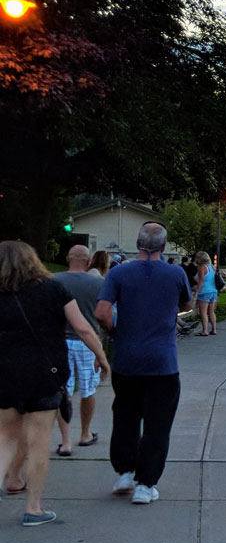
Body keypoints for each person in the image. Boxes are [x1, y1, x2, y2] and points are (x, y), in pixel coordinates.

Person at [1, 240, 110, 525]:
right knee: (38, 443)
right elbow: (83, 328)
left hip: (5, 376)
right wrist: (102, 356)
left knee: (5, 439)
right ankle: (33, 508)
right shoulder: (53, 288)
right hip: (45, 375)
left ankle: (9, 480)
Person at [94, 223, 191, 505]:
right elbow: (186, 302)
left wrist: (115, 331)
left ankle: (124, 472)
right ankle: (146, 485)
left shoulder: (118, 272)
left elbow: (101, 311)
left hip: (127, 359)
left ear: (137, 243)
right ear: (163, 246)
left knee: (125, 415)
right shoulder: (175, 273)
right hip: (163, 360)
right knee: (158, 423)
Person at [50, 245, 107, 455]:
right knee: (88, 389)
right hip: (88, 341)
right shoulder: (99, 283)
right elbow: (103, 315)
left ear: (67, 258)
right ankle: (85, 434)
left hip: (59, 340)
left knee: (63, 390)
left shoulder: (53, 281)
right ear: (89, 261)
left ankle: (65, 441)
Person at [193, 251, 219, 336]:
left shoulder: (202, 267)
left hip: (204, 292)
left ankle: (205, 330)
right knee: (211, 312)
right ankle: (214, 329)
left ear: (200, 259)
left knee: (203, 312)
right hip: (213, 291)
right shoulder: (212, 267)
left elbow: (201, 281)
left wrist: (196, 291)